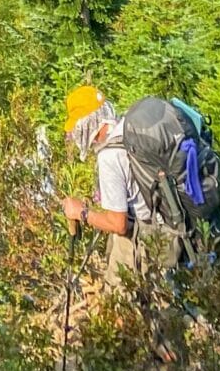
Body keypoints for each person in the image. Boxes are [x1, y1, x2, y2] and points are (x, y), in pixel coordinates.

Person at [59, 85, 182, 287]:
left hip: (145, 238)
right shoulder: (128, 128)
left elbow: (119, 224)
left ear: (88, 123)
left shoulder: (109, 156)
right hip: (170, 228)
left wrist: (81, 212)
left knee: (122, 304)